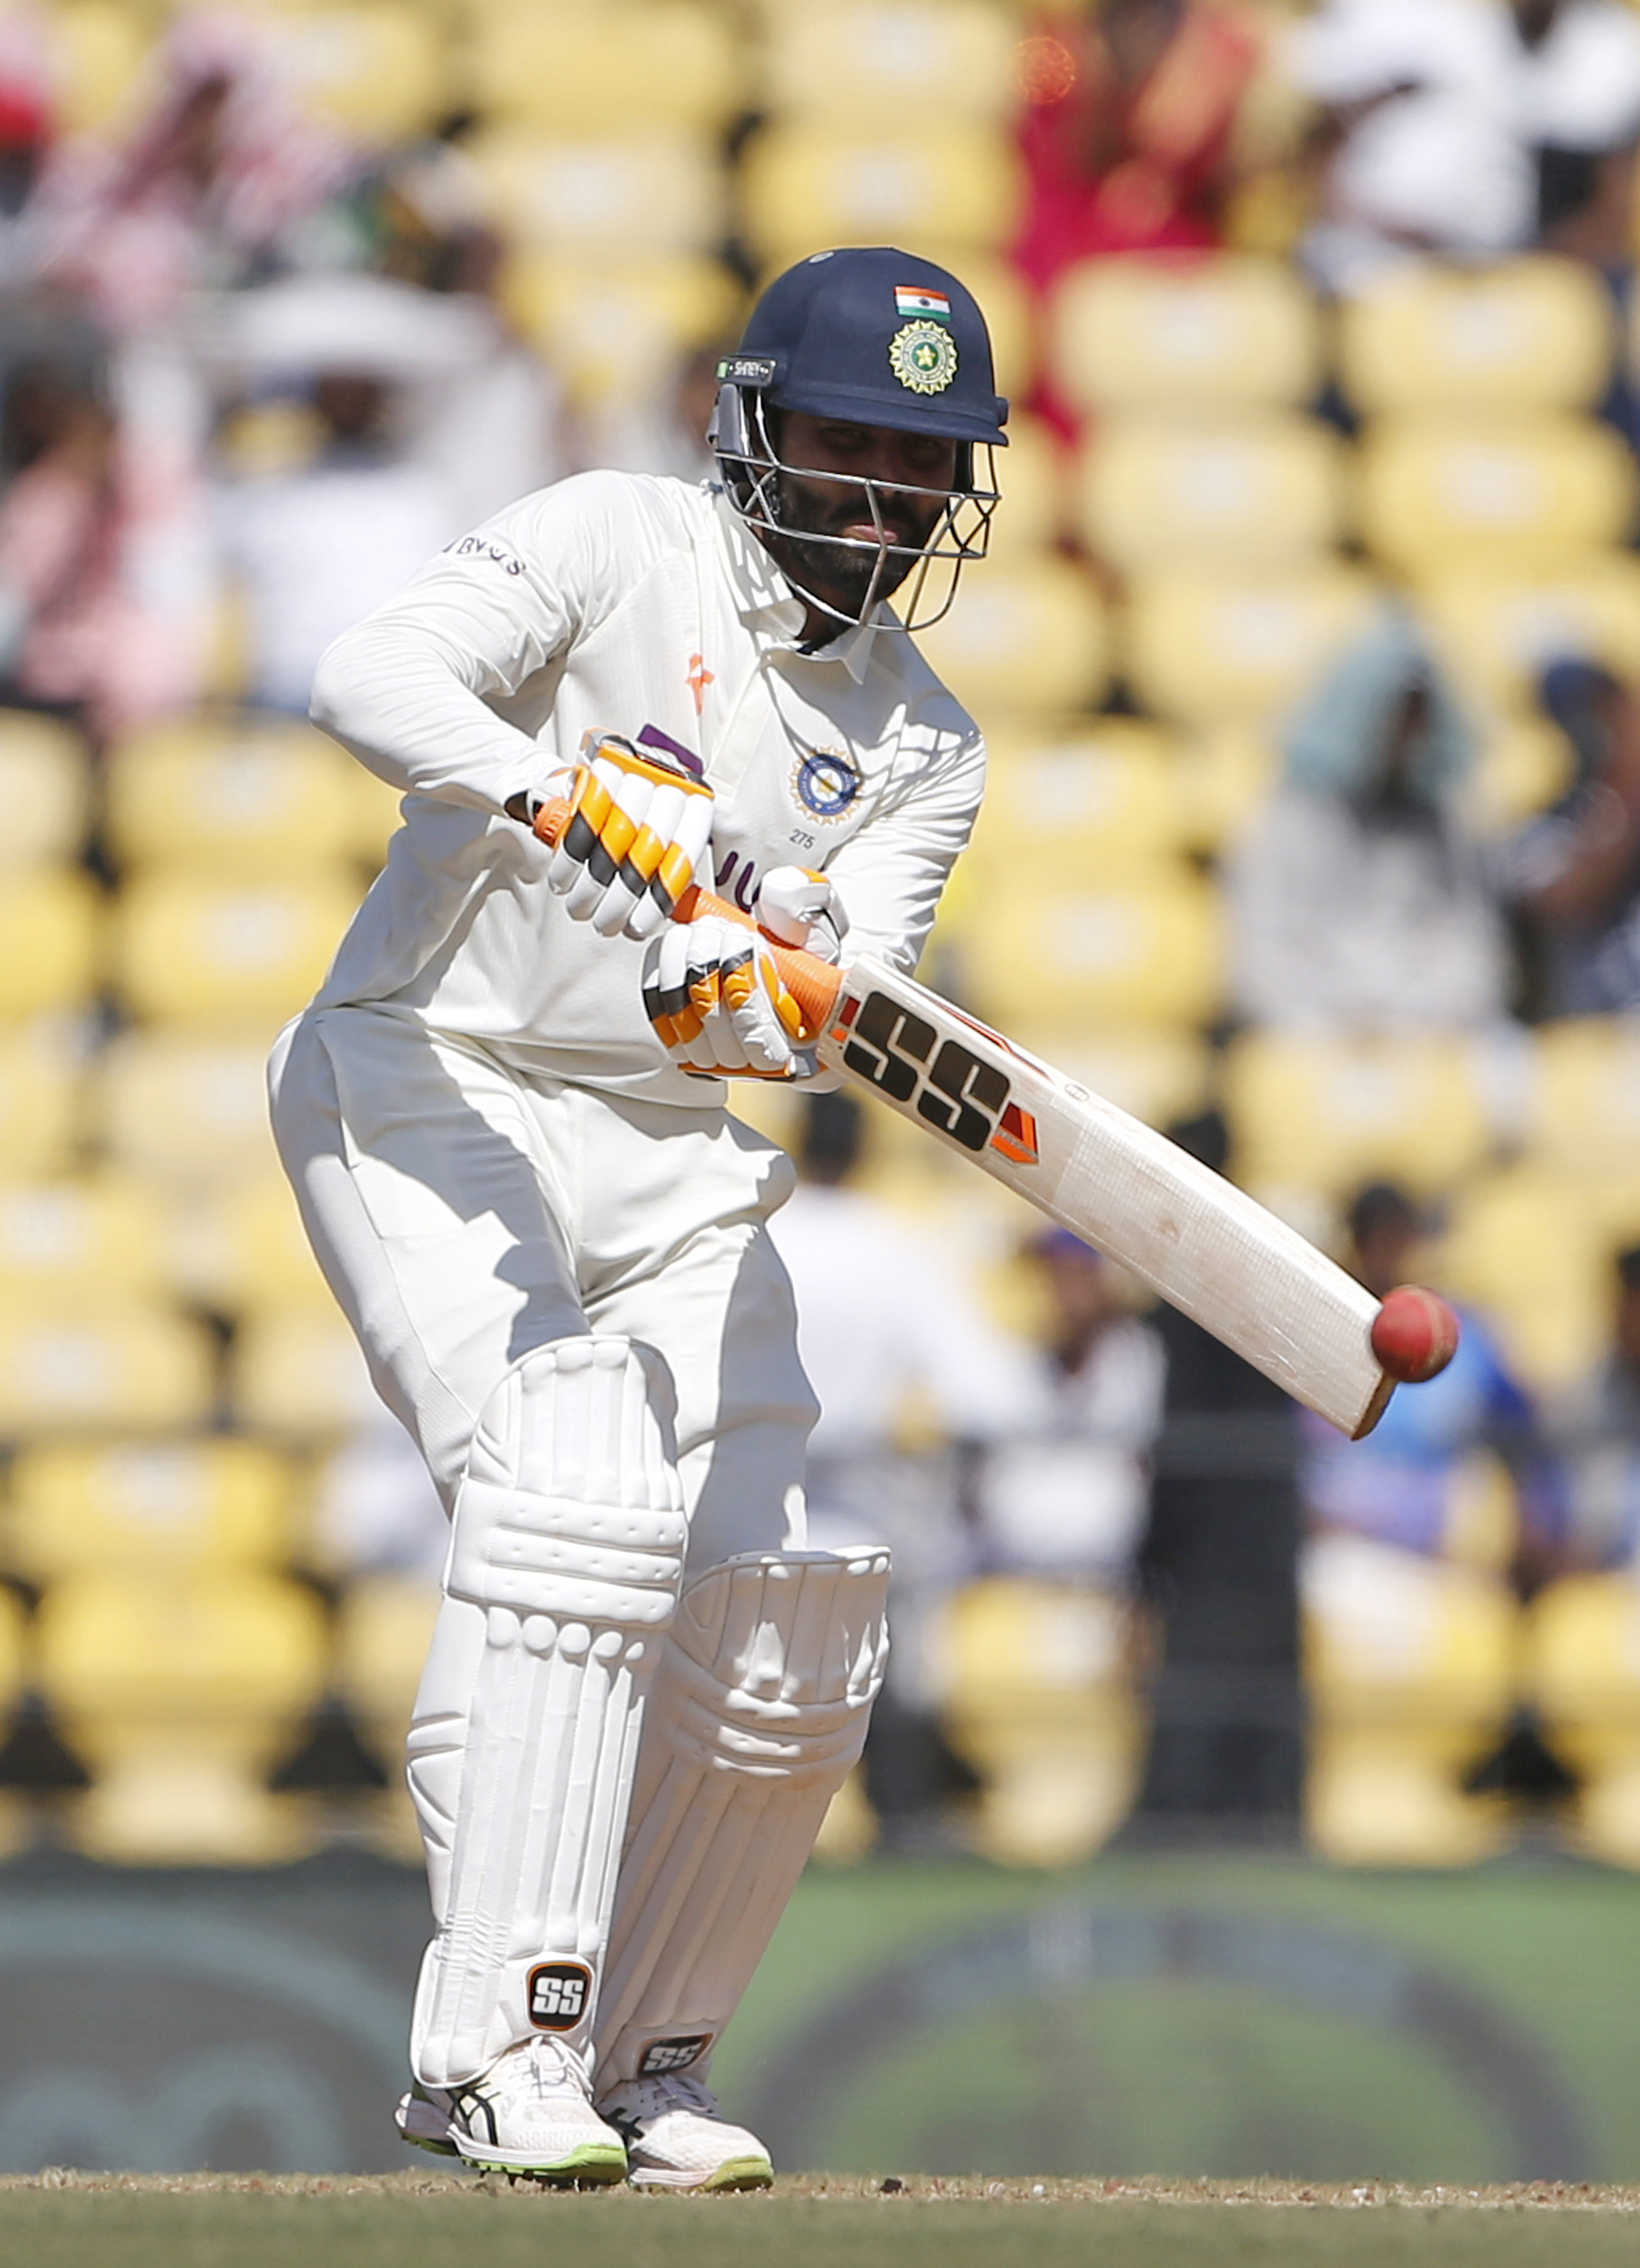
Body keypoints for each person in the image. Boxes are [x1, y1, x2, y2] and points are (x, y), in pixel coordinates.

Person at [268, 246, 1006, 2190]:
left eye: (920, 465)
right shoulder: (614, 539)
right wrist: (557, 799)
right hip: (433, 1069)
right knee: (576, 1492)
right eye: (845, 443)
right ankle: (500, 2045)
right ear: (757, 425)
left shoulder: (927, 744)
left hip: (677, 1152)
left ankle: (642, 2052)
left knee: (783, 1623)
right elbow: (366, 675)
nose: (876, 499)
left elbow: (828, 991)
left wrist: (739, 1000)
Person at [769, 1090, 1031, 1850]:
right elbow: (991, 1392)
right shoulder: (890, 1247)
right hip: (855, 1534)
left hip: (738, 1529)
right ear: (863, 1152)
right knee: (885, 1709)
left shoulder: (756, 1238)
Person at [1225, 606, 1510, 1031]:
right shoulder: (1288, 818)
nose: (1407, 734)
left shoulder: (1446, 818)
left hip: (1431, 1035)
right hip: (1314, 1036)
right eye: (1396, 715)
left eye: (1418, 717)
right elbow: (1262, 954)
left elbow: (1473, 947)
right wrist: (1339, 1024)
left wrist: (1421, 1019)